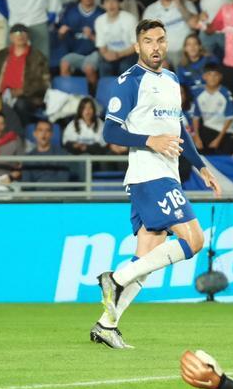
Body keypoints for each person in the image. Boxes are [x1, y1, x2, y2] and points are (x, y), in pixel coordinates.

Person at [95, 19, 222, 349]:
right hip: (149, 175)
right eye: (148, 41)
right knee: (193, 240)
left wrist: (201, 167)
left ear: (167, 44)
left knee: (146, 260)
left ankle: (107, 325)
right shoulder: (129, 81)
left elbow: (179, 129)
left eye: (160, 40)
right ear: (137, 46)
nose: (155, 46)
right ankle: (115, 279)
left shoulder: (171, 80)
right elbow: (110, 132)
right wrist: (149, 139)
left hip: (165, 174)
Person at [0, 24, 50, 126]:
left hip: (27, 98)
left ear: (28, 37)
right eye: (16, 33)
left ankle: (19, 136)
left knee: (20, 105)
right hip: (1, 96)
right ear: (11, 37)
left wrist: (22, 91)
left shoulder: (37, 56)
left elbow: (44, 83)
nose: (20, 36)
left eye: (23, 33)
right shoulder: (2, 54)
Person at [191, 63, 233, 153]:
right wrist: (196, 137)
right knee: (199, 150)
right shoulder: (198, 93)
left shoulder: (225, 93)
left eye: (216, 75)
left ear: (220, 77)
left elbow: (229, 118)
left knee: (224, 152)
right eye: (209, 74)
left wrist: (218, 140)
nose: (212, 78)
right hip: (209, 128)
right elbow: (196, 117)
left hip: (226, 131)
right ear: (204, 77)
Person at [142, 0, 199, 66]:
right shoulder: (150, 10)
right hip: (164, 53)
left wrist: (179, 5)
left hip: (187, 51)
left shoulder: (186, 3)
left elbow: (195, 25)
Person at [57, 0, 105, 79]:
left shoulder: (101, 14)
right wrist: (61, 33)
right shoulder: (70, 12)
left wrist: (91, 36)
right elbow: (61, 38)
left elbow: (106, 43)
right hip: (76, 53)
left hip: (94, 53)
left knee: (89, 68)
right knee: (64, 64)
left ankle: (93, 92)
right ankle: (67, 92)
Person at [23, 119, 82, 190]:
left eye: (47, 130)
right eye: (40, 130)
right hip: (36, 198)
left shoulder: (61, 154)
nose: (43, 134)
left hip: (57, 196)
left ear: (51, 134)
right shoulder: (28, 158)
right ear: (34, 134)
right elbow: (27, 184)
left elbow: (63, 180)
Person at [93, 0, 140, 80]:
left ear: (119, 3)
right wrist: (106, 55)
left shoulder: (130, 19)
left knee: (124, 67)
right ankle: (107, 91)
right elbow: (101, 46)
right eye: (107, 2)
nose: (111, 5)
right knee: (104, 66)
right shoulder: (99, 21)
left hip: (128, 53)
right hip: (110, 53)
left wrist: (118, 54)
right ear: (103, 5)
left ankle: (125, 92)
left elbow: (136, 45)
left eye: (114, 1)